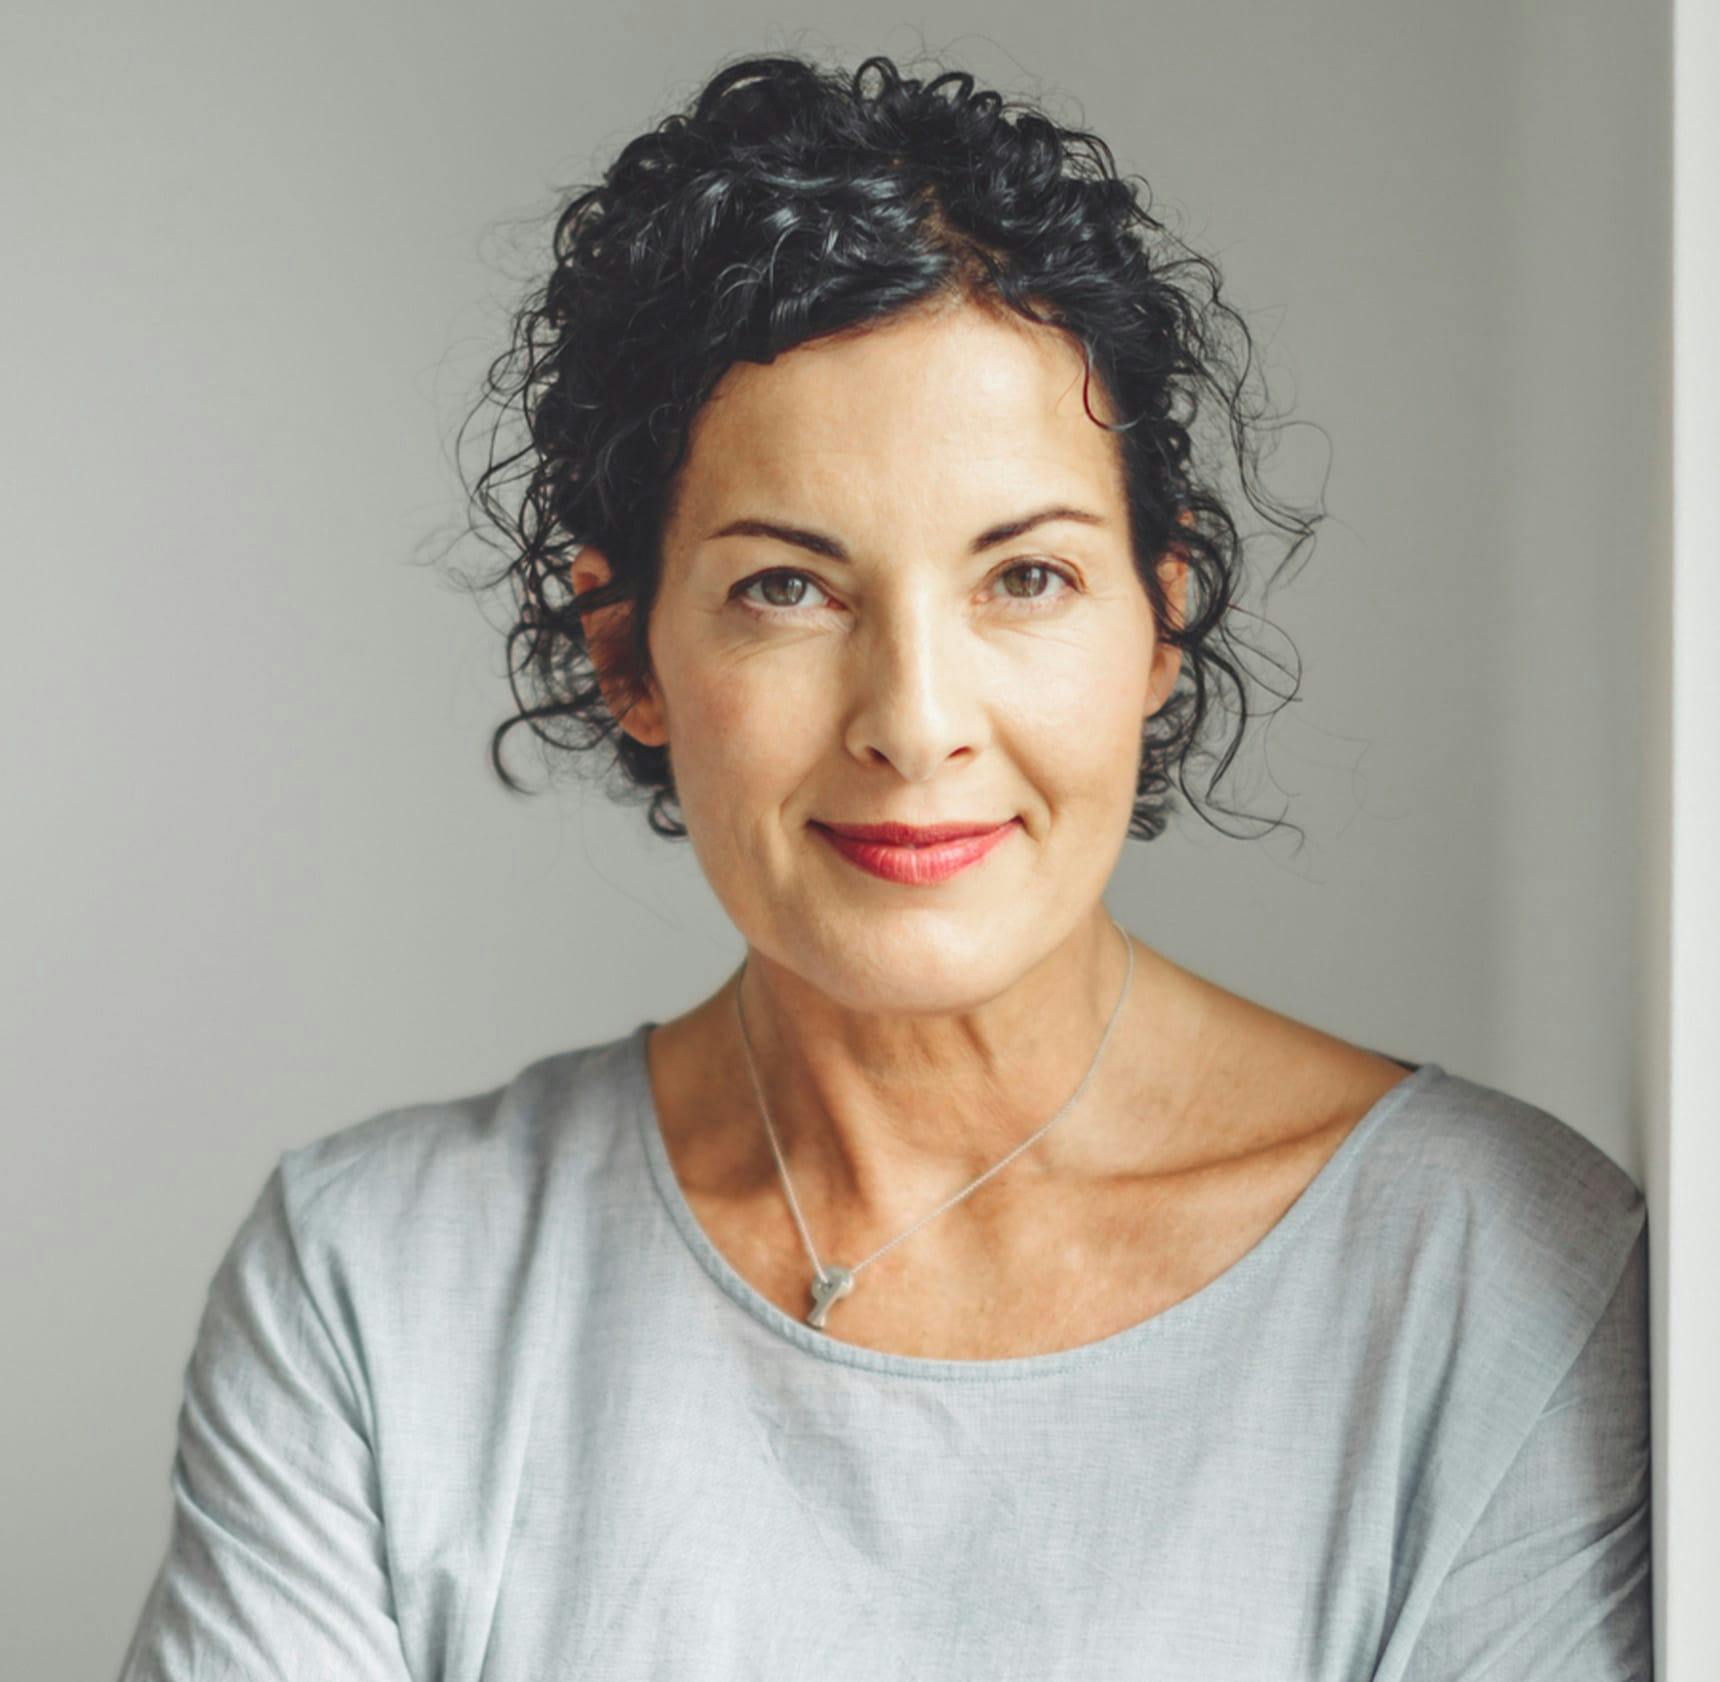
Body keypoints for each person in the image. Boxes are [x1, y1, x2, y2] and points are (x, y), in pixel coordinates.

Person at [116, 52, 1651, 1682]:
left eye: (1029, 577)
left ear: (1162, 623)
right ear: (628, 652)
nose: (915, 724)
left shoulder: (1495, 1274)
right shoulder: (380, 1281)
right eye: (790, 588)